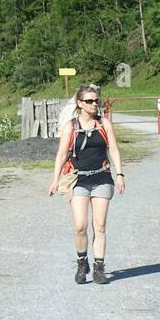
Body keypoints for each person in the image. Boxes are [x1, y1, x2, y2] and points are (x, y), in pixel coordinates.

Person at [48, 84, 125, 283]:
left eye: (96, 100)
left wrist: (120, 175)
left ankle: (99, 267)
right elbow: (62, 155)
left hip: (101, 178)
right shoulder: (70, 126)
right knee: (80, 226)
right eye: (89, 101)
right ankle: (82, 263)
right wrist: (55, 180)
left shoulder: (104, 124)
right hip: (78, 179)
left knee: (99, 226)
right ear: (80, 103)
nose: (94, 104)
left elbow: (114, 150)